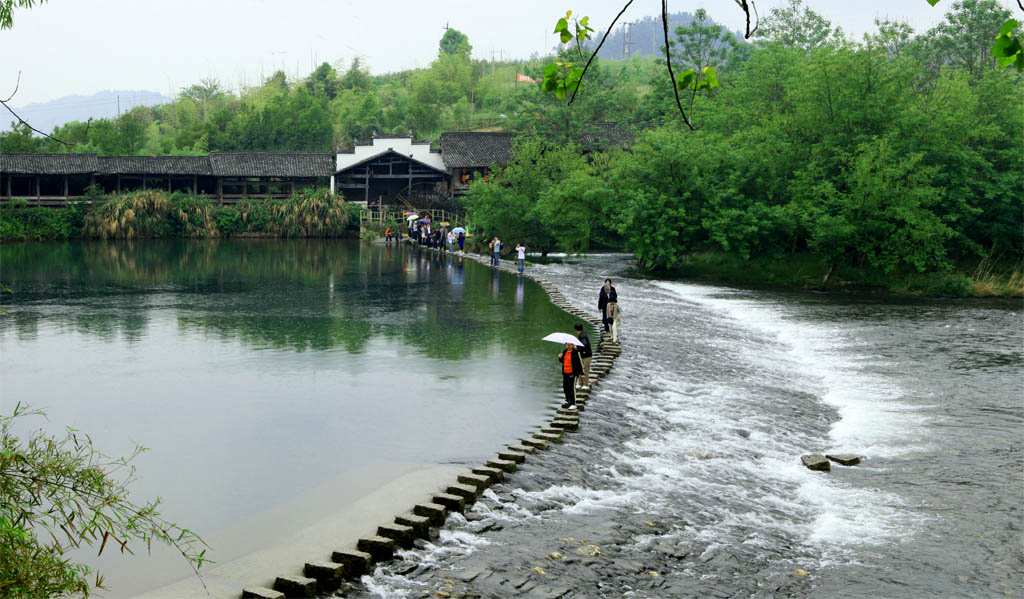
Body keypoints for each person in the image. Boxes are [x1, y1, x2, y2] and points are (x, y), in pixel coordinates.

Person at [558, 341, 583, 410]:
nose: (568, 345)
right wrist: (560, 357)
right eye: (566, 344)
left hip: (573, 373)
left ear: (572, 345)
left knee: (571, 388)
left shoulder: (576, 352)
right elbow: (562, 361)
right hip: (565, 372)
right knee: (565, 387)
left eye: (569, 344)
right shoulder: (565, 351)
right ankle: (568, 401)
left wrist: (582, 373)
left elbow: (580, 362)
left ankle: (573, 403)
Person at [574, 323, 592, 390]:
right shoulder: (580, 335)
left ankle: (585, 384)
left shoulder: (583, 335)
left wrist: (577, 347)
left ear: (576, 330)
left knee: (585, 370)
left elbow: (584, 344)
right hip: (582, 355)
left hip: (586, 355)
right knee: (580, 369)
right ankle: (579, 383)